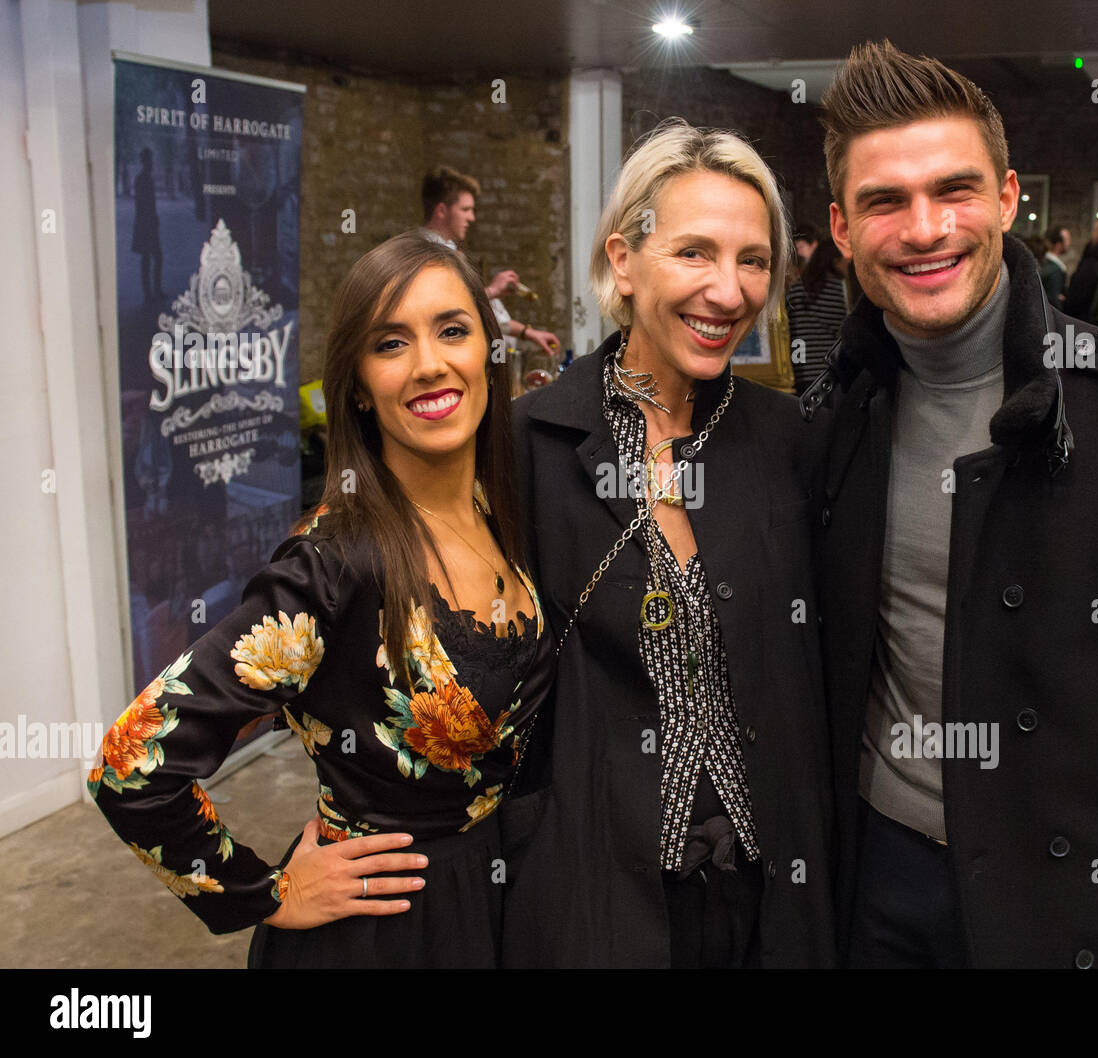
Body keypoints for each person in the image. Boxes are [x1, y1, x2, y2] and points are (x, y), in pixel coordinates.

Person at [804, 38, 1098, 968]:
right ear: (845, 226)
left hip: (1069, 906)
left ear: (1011, 197)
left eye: (956, 189)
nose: (926, 227)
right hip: (874, 883)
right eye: (885, 202)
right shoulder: (835, 416)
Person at [90, 233, 554, 968]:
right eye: (391, 343)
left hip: (497, 905)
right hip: (382, 934)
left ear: (490, 357)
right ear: (360, 387)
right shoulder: (331, 564)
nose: (431, 363)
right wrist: (265, 893)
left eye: (453, 330)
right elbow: (132, 763)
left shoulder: (500, 510)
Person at [504, 119, 836, 968]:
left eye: (753, 260)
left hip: (766, 895)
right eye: (694, 253)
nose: (729, 291)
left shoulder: (788, 440)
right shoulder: (530, 444)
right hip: (600, 895)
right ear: (623, 261)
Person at [420, 165, 562, 357]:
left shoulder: (450, 251)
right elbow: (442, 309)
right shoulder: (423, 254)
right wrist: (493, 290)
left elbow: (483, 308)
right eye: (465, 209)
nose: (471, 217)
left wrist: (528, 333)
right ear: (442, 210)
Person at [787, 236, 849, 394]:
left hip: (799, 372)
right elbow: (844, 332)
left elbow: (794, 335)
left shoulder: (797, 288)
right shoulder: (839, 290)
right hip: (827, 373)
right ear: (835, 261)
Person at [131, 147, 163, 302]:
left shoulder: (143, 178)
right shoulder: (143, 179)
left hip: (146, 223)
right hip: (146, 224)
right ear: (146, 161)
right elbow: (144, 204)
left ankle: (151, 292)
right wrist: (152, 219)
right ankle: (151, 292)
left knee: (150, 258)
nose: (152, 163)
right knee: (153, 257)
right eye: (150, 159)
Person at [1039, 223, 1070, 309]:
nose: (1068, 243)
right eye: (1066, 239)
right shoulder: (1055, 269)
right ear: (1058, 244)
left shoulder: (1046, 263)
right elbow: (1054, 301)